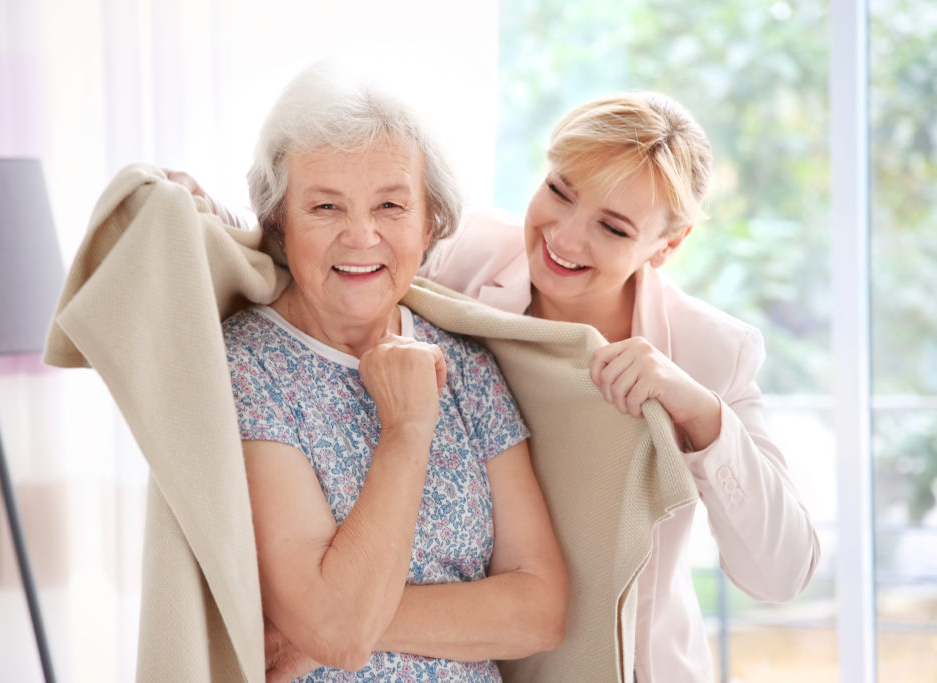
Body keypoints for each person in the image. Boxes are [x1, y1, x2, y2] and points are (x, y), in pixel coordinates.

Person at [176, 89, 820, 682]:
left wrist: (704, 418)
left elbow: (781, 574)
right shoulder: (470, 256)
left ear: (667, 245)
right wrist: (204, 225)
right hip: (493, 655)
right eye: (560, 192)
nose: (566, 237)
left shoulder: (712, 351)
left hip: (622, 664)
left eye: (614, 227)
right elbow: (348, 245)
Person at [221, 65, 567, 682]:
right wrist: (407, 427)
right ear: (280, 221)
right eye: (325, 206)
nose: (361, 235)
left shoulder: (465, 364)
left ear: (429, 220)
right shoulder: (246, 366)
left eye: (390, 205)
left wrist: (337, 624)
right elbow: (339, 631)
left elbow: (539, 612)